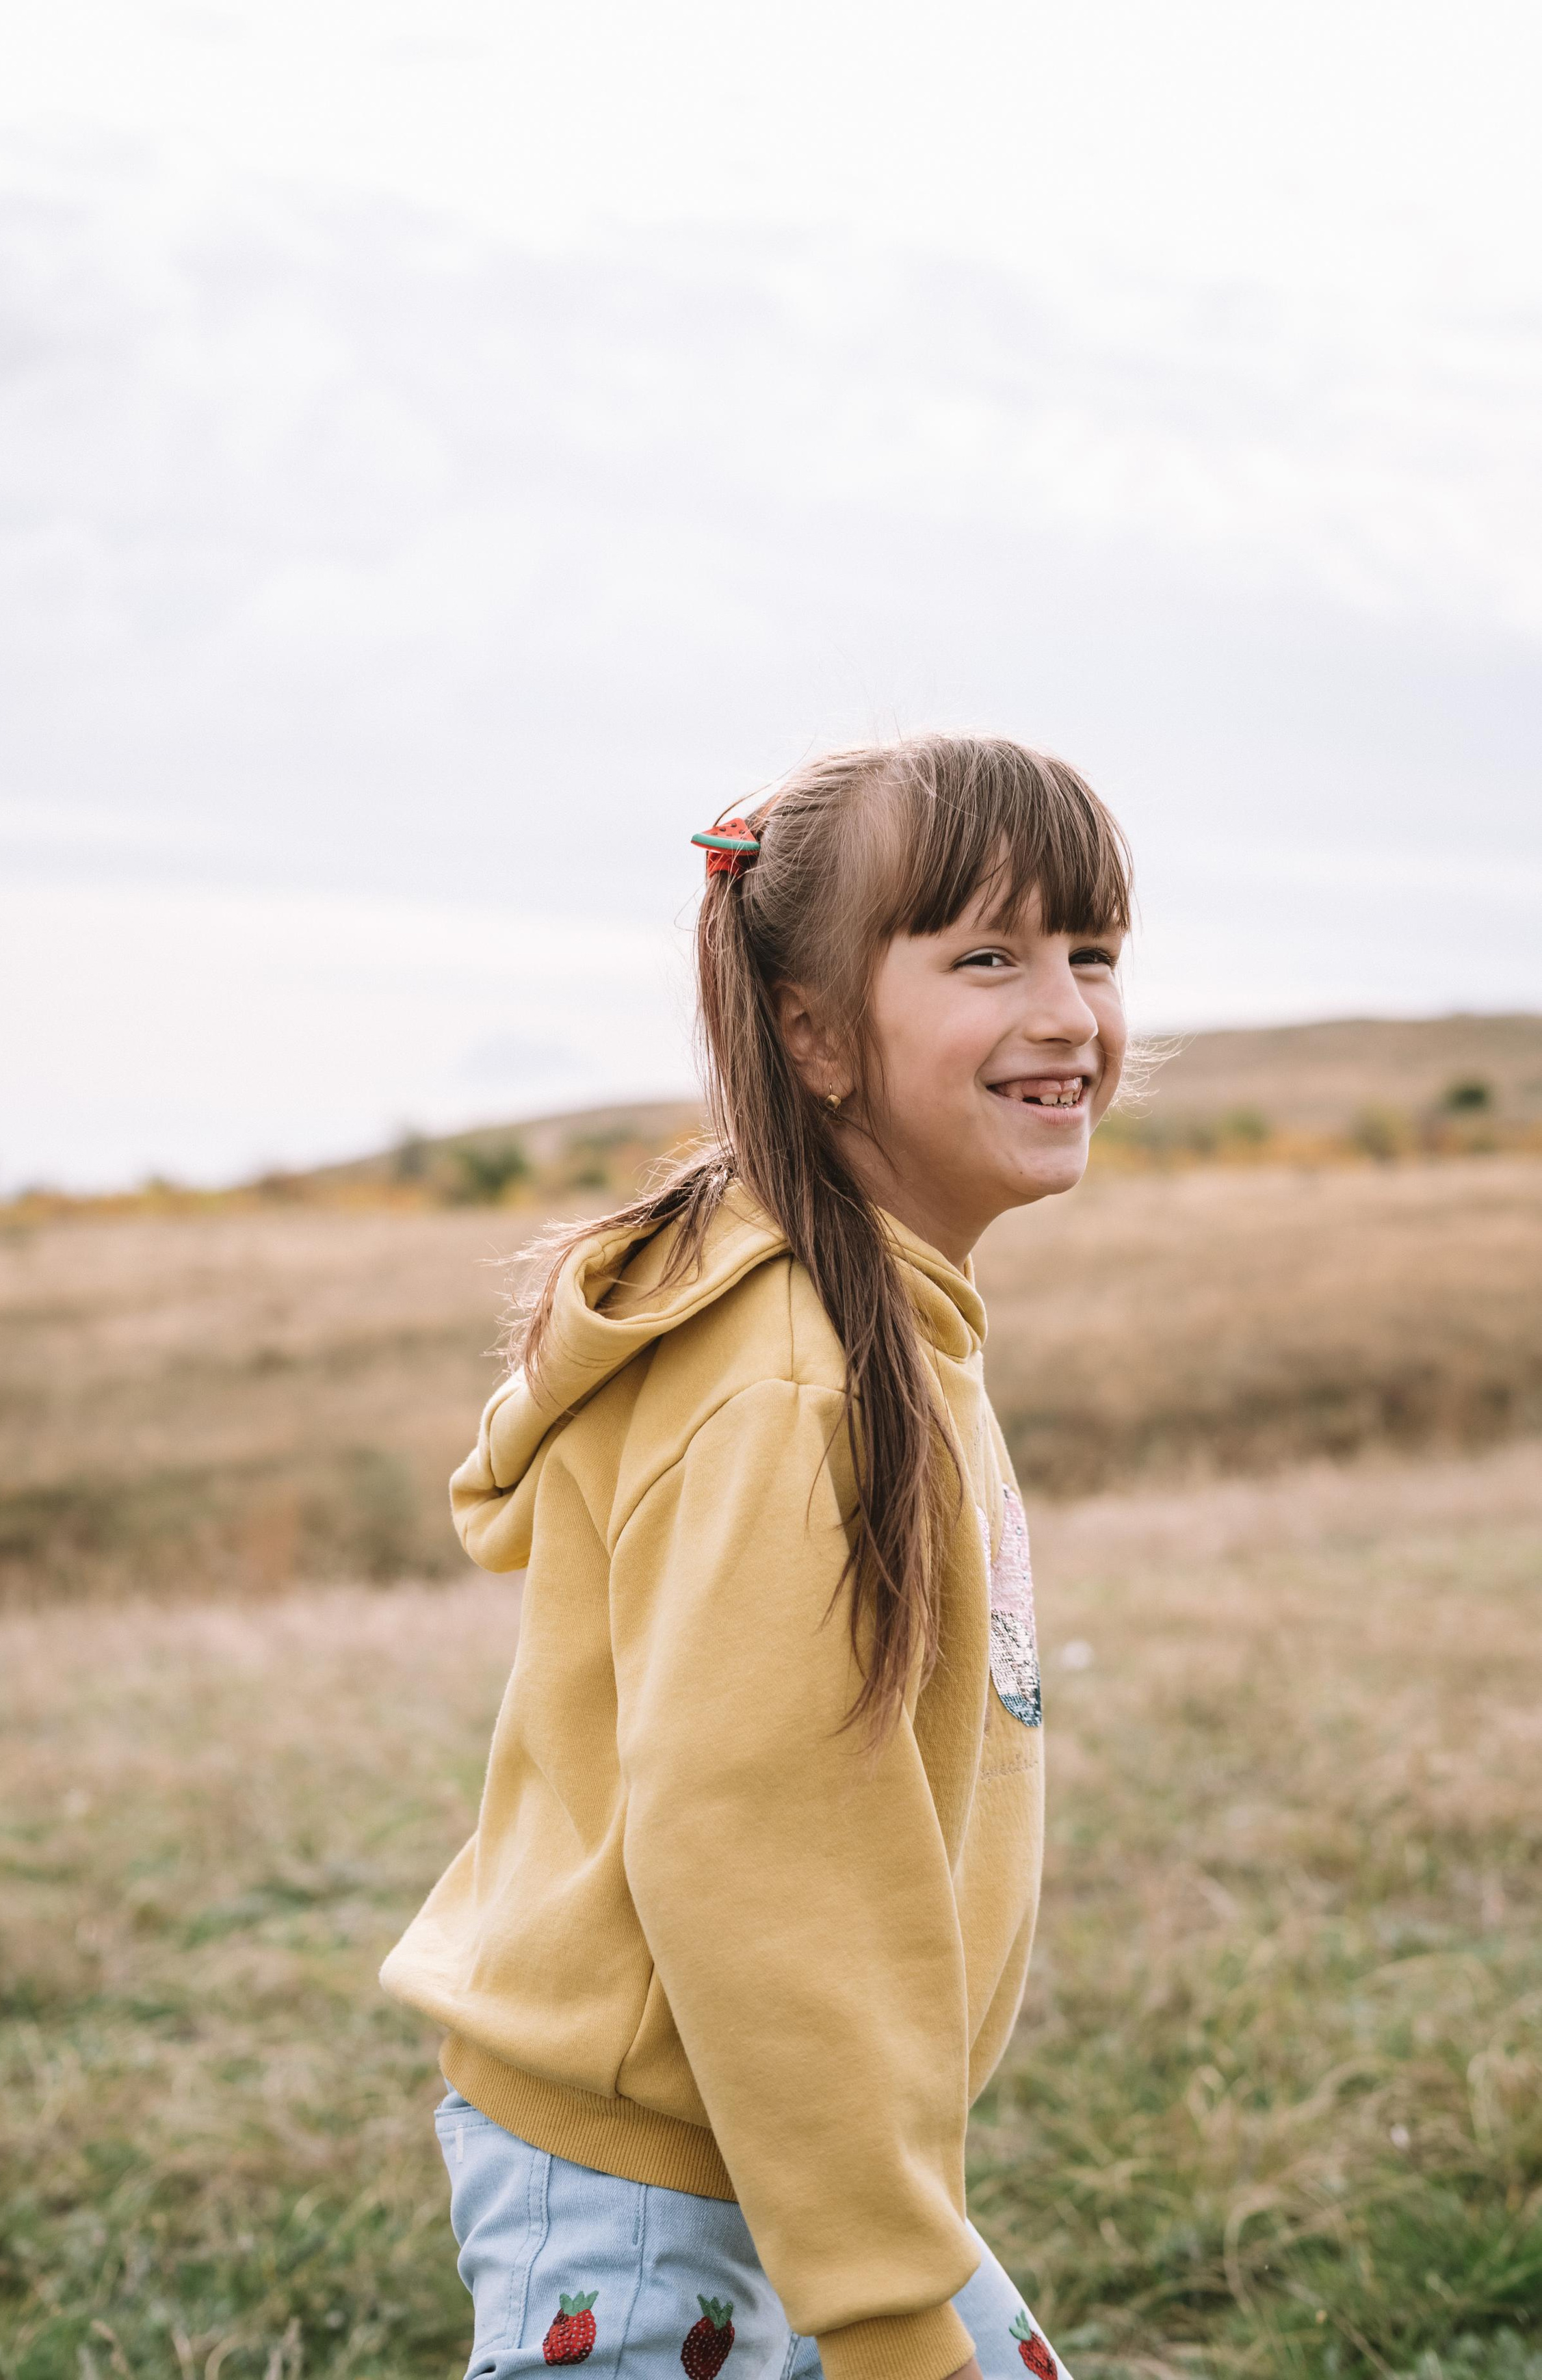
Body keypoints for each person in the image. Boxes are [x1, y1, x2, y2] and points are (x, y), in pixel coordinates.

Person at [382, 733, 1132, 2380]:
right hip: (658, 2183)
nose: (1069, 1010)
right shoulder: (793, 1380)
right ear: (812, 1032)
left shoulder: (877, 1311)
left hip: (788, 2149)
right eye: (985, 956)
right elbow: (757, 1861)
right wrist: (882, 2309)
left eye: (1090, 950)